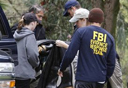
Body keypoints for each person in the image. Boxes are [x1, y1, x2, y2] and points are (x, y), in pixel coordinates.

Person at [58, 8, 116, 88]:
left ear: (89, 18)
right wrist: (104, 78)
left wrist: (62, 67)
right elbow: (111, 63)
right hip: (99, 80)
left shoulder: (81, 32)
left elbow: (70, 53)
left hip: (84, 78)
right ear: (102, 20)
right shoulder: (110, 38)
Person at [13, 13, 39, 88]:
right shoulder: (30, 36)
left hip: (14, 71)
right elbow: (32, 55)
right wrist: (36, 64)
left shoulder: (16, 34)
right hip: (24, 73)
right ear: (33, 23)